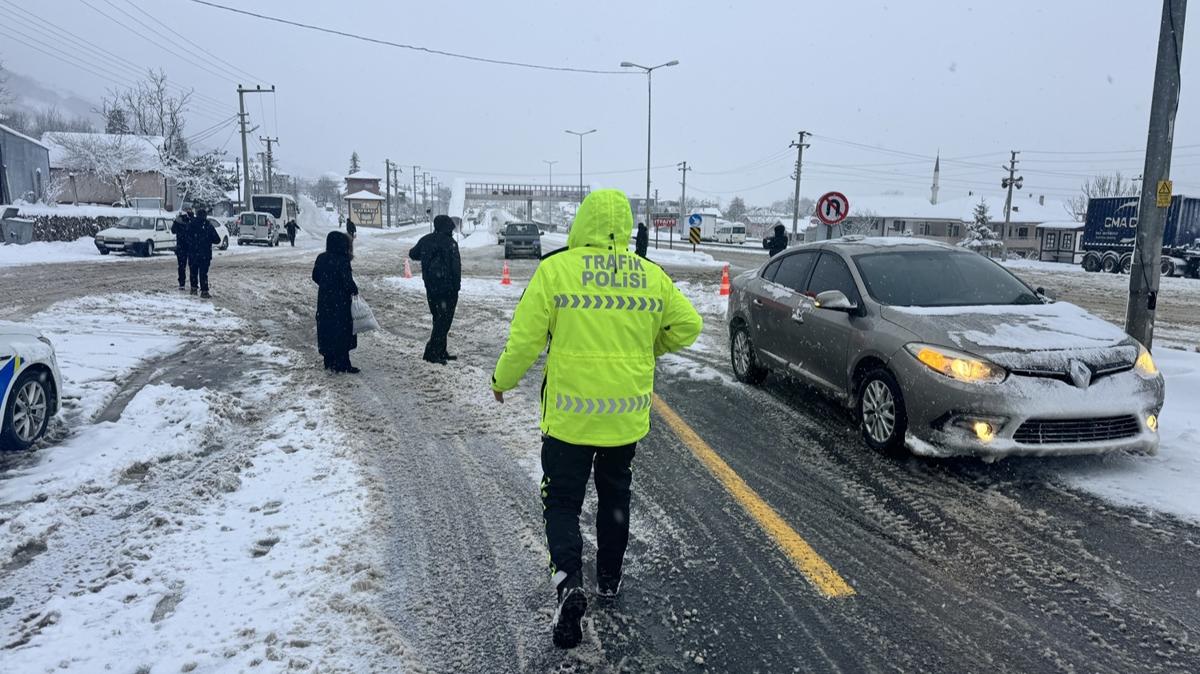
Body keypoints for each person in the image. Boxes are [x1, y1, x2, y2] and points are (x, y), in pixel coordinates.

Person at [490, 189, 703, 649]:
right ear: (624, 225)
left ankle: (568, 583)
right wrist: (647, 348)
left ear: (582, 222)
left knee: (563, 503)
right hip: (624, 419)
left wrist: (502, 380)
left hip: (569, 419)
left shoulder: (557, 270)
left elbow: (525, 340)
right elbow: (690, 326)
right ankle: (609, 578)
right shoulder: (650, 276)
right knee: (614, 497)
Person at [408, 215, 461, 364]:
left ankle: (441, 351)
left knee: (438, 318)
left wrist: (426, 256)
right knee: (443, 321)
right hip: (448, 290)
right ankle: (431, 353)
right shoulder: (451, 243)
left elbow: (413, 254)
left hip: (431, 287)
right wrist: (457, 287)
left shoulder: (426, 240)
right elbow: (456, 268)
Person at [312, 231, 360, 373]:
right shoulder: (342, 260)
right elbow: (347, 282)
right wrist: (354, 289)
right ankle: (343, 363)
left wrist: (326, 284)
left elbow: (315, 276)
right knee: (342, 331)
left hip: (325, 300)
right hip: (341, 302)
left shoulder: (321, 258)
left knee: (326, 328)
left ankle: (329, 361)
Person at [186, 209, 221, 298]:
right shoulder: (208, 226)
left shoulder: (191, 225)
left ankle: (193, 289)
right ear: (205, 216)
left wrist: (191, 244)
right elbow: (217, 240)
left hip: (193, 253)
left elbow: (186, 237)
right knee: (203, 273)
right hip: (205, 254)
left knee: (193, 272)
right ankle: (204, 291)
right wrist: (207, 239)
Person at [171, 207, 194, 290]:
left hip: (181, 247)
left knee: (181, 266)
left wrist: (176, 221)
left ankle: (182, 283)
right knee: (192, 267)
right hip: (191, 247)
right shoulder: (191, 221)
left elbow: (173, 230)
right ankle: (193, 284)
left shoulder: (178, 222)